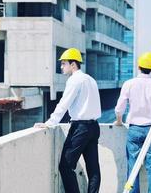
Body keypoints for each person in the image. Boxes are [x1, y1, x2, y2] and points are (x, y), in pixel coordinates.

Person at [37, 48, 101, 193]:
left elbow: (64, 104)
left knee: (65, 166)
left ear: (73, 65)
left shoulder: (75, 80)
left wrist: (49, 123)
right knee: (93, 169)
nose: (61, 67)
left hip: (81, 128)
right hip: (94, 127)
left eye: (64, 63)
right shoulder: (91, 79)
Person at [113, 52, 151, 193]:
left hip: (134, 129)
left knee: (133, 168)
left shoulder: (129, 84)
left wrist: (119, 121)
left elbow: (119, 109)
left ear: (138, 66)